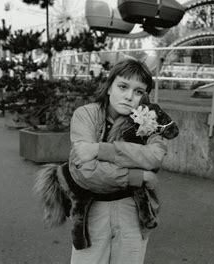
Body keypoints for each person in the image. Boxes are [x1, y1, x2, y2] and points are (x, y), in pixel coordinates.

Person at [68, 58, 168, 263]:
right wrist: (139, 175)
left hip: (133, 209)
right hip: (92, 210)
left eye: (139, 91)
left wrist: (99, 149)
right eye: (123, 86)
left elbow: (155, 156)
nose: (129, 96)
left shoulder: (148, 119)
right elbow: (86, 172)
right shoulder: (86, 114)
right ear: (109, 87)